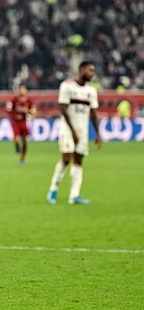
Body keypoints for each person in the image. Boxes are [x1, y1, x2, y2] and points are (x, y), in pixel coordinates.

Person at [46, 61, 101, 205]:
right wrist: (73, 131)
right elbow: (63, 109)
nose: (92, 73)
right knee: (66, 159)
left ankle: (74, 195)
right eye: (90, 70)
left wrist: (98, 134)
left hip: (83, 130)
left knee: (78, 161)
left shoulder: (91, 91)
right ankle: (53, 189)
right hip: (67, 129)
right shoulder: (67, 86)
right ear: (81, 70)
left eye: (93, 71)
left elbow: (93, 113)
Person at [6, 85, 36, 164]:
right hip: (16, 122)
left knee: (25, 141)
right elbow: (8, 109)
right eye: (21, 90)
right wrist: (14, 115)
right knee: (16, 138)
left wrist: (31, 112)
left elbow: (33, 109)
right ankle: (16, 146)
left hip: (24, 122)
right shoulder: (14, 100)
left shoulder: (28, 100)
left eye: (24, 90)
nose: (22, 91)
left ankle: (22, 158)